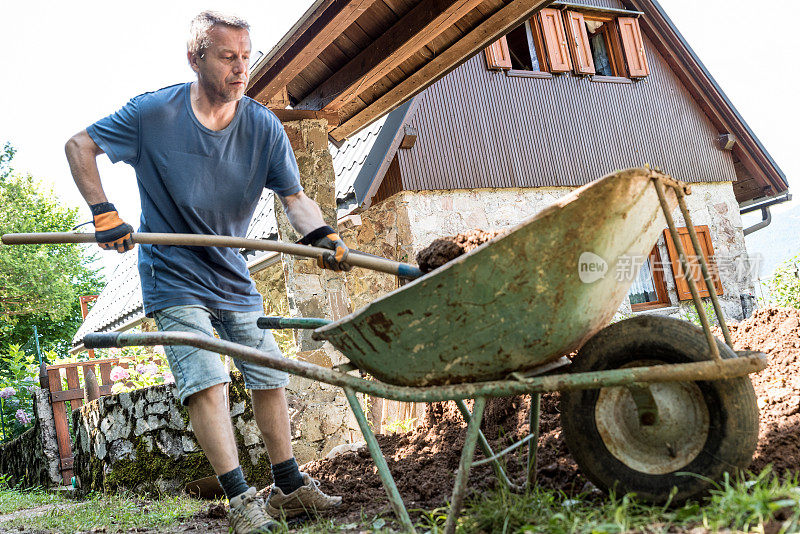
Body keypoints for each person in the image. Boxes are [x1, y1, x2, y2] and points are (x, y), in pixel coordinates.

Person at [65, 11, 347, 534]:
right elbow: (79, 146)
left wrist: (321, 235)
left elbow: (295, 199)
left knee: (267, 371)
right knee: (206, 380)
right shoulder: (154, 114)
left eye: (246, 57)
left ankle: (289, 489)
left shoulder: (261, 125)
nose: (241, 69)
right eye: (227, 57)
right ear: (195, 58)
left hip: (230, 272)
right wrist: (103, 210)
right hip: (171, 273)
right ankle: (241, 500)